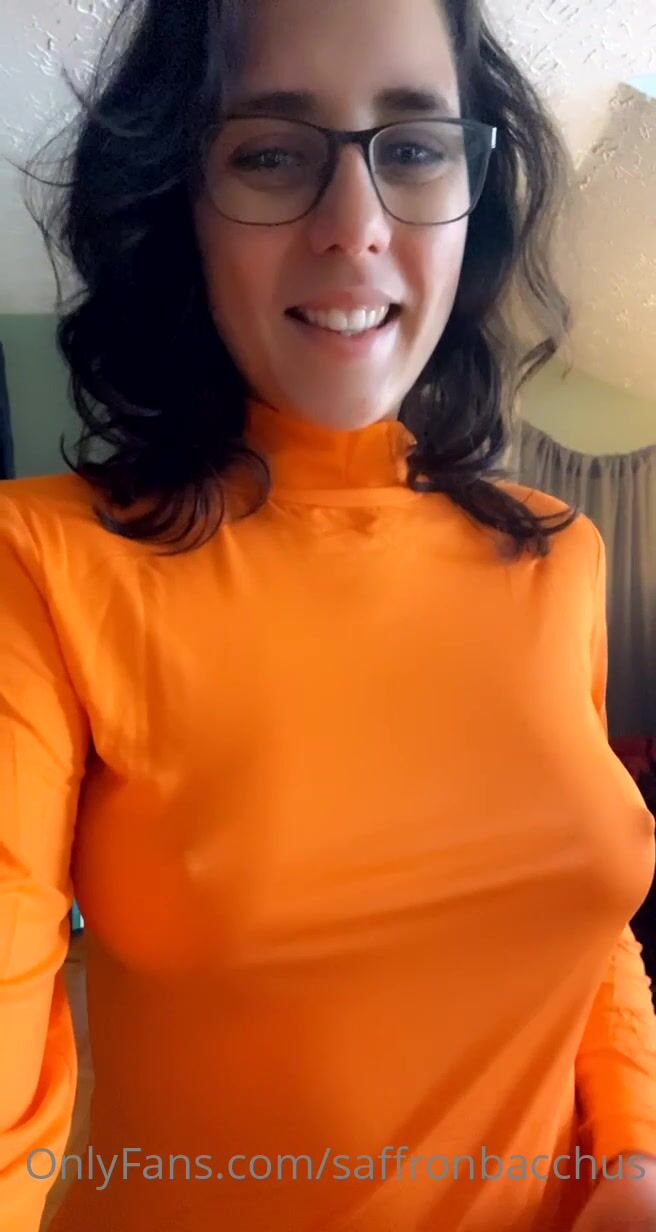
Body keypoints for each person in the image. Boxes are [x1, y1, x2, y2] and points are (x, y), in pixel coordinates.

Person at [2, 0, 655, 1229]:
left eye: (411, 148)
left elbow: (585, 923)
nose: (354, 227)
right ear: (178, 197)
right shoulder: (39, 565)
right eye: (268, 152)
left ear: (472, 192)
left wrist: (631, 1154)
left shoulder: (556, 554)